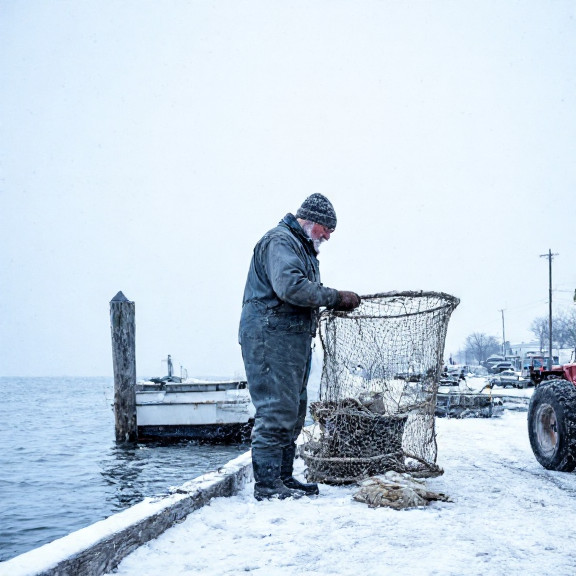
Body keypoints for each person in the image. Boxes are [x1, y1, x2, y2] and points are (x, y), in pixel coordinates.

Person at [239, 194, 361, 501]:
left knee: (294, 410)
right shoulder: (280, 241)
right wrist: (335, 297)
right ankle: (267, 486)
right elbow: (290, 287)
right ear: (307, 220)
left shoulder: (301, 246)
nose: (328, 235)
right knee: (276, 409)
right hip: (270, 337)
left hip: (291, 339)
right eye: (325, 228)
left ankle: (283, 477)